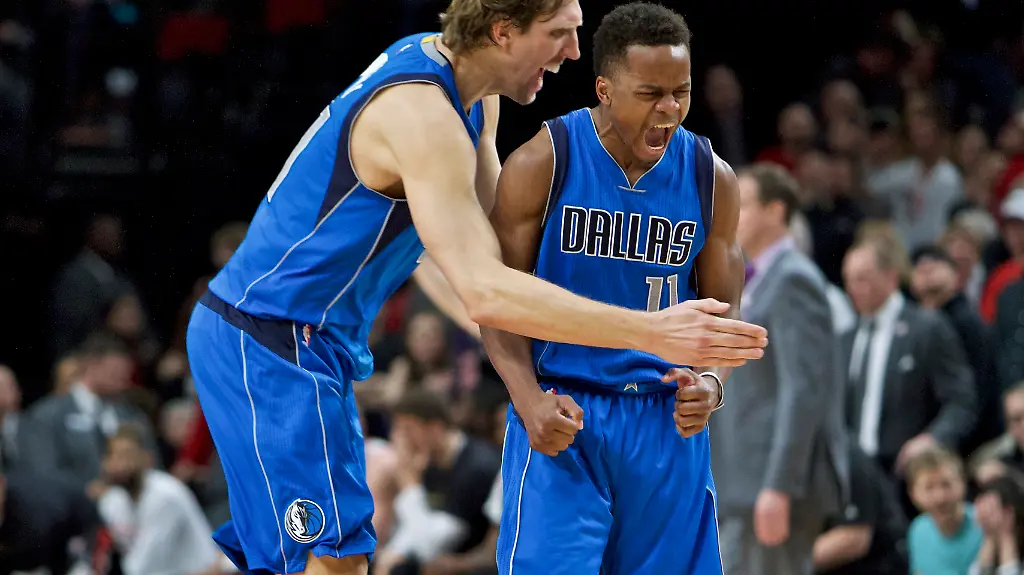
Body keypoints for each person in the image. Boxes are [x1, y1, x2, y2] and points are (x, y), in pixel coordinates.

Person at [184, 2, 769, 575]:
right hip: (266, 334)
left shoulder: (469, 95)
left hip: (320, 342)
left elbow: (496, 270)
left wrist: (695, 373)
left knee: (335, 554)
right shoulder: (423, 116)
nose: (572, 52)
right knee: (330, 556)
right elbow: (489, 290)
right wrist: (649, 331)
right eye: (559, 32)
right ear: (503, 31)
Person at [481, 4, 746, 573]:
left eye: (682, 91)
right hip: (566, 407)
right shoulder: (544, 161)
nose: (670, 108)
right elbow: (495, 302)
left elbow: (724, 310)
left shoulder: (710, 176)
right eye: (651, 93)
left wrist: (710, 382)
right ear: (604, 88)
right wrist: (528, 401)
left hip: (663, 418)